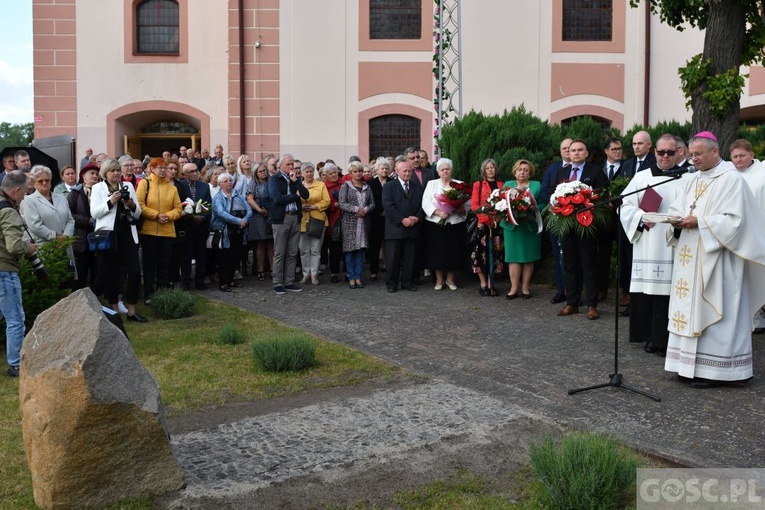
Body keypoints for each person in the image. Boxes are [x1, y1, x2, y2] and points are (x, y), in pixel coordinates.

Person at [663, 131, 765, 387]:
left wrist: (701, 222)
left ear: (715, 152)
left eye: (698, 154)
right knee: (687, 308)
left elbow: (737, 221)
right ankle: (686, 365)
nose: (693, 159)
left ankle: (717, 371)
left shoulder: (732, 179)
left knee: (718, 309)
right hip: (689, 255)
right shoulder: (689, 180)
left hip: (719, 259)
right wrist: (674, 220)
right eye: (691, 154)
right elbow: (677, 207)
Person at [619, 134, 685, 356]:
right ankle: (648, 337)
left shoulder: (686, 178)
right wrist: (639, 216)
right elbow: (625, 204)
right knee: (649, 292)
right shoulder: (642, 177)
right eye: (661, 152)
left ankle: (667, 340)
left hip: (673, 243)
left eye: (670, 152)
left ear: (678, 153)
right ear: (654, 152)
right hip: (647, 242)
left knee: (668, 294)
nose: (665, 156)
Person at [553, 139, 608, 320]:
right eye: (572, 150)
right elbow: (555, 195)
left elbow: (603, 195)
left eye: (579, 150)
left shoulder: (596, 170)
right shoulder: (561, 171)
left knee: (589, 265)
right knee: (569, 265)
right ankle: (572, 303)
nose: (575, 153)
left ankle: (592, 305)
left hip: (587, 226)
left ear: (586, 153)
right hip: (567, 226)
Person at [90, 158, 146, 322]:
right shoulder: (98, 188)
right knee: (112, 274)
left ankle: (131, 310)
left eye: (117, 170)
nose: (116, 173)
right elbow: (94, 213)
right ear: (105, 173)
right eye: (112, 171)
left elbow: (137, 212)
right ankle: (115, 310)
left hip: (128, 234)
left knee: (135, 271)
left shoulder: (127, 186)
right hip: (109, 236)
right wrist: (111, 201)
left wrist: (130, 204)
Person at [0, 171, 38, 377]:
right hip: (4, 271)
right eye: (24, 191)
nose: (24, 196)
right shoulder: (8, 212)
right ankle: (16, 364)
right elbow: (14, 246)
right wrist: (29, 248)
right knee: (16, 319)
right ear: (15, 190)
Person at [730, 139, 765, 334]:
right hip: (739, 234)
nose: (738, 160)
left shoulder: (762, 173)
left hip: (761, 231)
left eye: (742, 155)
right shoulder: (729, 175)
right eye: (734, 156)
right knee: (745, 277)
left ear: (751, 154)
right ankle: (752, 318)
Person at [136, 157, 182, 303]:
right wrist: (156, 215)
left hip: (167, 231)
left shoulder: (172, 187)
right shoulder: (145, 183)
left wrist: (167, 216)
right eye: (160, 168)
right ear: (152, 169)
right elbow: (139, 205)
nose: (163, 170)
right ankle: (149, 293)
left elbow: (178, 209)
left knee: (164, 264)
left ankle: (162, 293)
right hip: (148, 231)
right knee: (149, 263)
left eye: (164, 168)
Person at [421, 158, 470, 291]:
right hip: (436, 224)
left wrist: (459, 209)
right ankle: (439, 279)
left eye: (447, 169)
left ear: (451, 170)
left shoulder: (459, 184)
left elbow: (467, 204)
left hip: (454, 224)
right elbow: (425, 202)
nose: (445, 172)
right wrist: (438, 212)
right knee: (437, 252)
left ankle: (450, 279)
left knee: (453, 252)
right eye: (442, 169)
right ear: (438, 171)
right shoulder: (432, 184)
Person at [20, 166, 76, 279]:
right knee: (50, 282)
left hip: (65, 246)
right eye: (40, 181)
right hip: (46, 247)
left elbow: (70, 220)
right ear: (34, 182)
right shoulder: (29, 201)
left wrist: (65, 236)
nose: (44, 183)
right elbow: (35, 225)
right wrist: (55, 236)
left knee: (68, 282)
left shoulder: (61, 197)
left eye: (47, 180)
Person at [268, 154, 308, 294]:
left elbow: (306, 195)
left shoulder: (295, 179)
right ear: (280, 165)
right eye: (288, 164)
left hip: (295, 217)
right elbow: (277, 198)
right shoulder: (274, 179)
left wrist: (296, 182)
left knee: (292, 252)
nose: (291, 167)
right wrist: (294, 196)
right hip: (281, 219)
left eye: (293, 165)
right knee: (279, 252)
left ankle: (289, 281)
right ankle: (277, 282)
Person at [501, 159, 541, 299]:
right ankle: (514, 287)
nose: (522, 172)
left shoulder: (536, 185)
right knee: (514, 258)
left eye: (525, 170)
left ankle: (525, 287)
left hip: (529, 226)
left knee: (528, 258)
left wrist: (535, 208)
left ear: (530, 173)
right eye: (519, 169)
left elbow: (542, 204)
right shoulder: (508, 185)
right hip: (512, 227)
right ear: (515, 172)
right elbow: (500, 203)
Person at [383, 158, 424, 292]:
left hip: (413, 227)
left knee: (410, 258)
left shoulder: (417, 187)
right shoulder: (389, 187)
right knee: (393, 258)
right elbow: (388, 206)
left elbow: (422, 206)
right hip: (395, 228)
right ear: (397, 171)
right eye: (404, 171)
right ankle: (391, 284)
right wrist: (402, 219)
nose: (407, 173)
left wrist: (417, 218)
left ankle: (408, 282)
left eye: (409, 171)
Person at [540, 138, 572, 304]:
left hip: (575, 219)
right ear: (560, 151)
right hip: (556, 217)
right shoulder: (553, 169)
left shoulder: (578, 169)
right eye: (564, 148)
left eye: (570, 147)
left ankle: (574, 291)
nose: (567, 150)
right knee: (558, 254)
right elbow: (544, 191)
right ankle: (561, 290)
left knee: (573, 256)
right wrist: (554, 204)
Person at [211, 173, 252, 292]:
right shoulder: (218, 197)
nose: (229, 182)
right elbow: (220, 213)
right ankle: (223, 283)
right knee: (225, 258)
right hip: (225, 232)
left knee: (235, 256)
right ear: (220, 184)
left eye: (230, 180)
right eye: (226, 181)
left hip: (239, 231)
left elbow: (248, 209)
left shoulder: (237, 194)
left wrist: (245, 220)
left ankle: (231, 280)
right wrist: (239, 221)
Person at [596, 137, 625, 303]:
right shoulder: (599, 169)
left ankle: (625, 291)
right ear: (606, 151)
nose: (618, 152)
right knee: (603, 255)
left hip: (622, 216)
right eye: (614, 149)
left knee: (623, 255)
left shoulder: (627, 167)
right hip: (605, 218)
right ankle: (601, 289)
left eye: (620, 148)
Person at [470, 158, 504, 296]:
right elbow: (474, 206)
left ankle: (491, 283)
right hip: (483, 224)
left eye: (493, 167)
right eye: (487, 168)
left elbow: (504, 205)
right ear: (483, 170)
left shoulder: (501, 184)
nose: (490, 170)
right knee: (481, 254)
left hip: (497, 224)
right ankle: (483, 283)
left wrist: (497, 219)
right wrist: (486, 219)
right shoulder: (478, 185)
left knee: (495, 253)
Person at [339, 161, 375, 289]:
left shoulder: (367, 186)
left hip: (363, 221)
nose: (358, 173)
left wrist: (365, 210)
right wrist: (356, 209)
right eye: (355, 171)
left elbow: (372, 203)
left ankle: (359, 277)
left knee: (360, 251)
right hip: (349, 222)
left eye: (360, 171)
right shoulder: (346, 186)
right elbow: (342, 203)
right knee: (350, 251)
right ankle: (351, 276)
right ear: (350, 173)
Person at [67, 163, 100, 291]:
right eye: (92, 173)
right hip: (81, 240)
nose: (95, 176)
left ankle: (97, 302)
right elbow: (69, 215)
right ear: (83, 176)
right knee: (80, 273)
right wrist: (88, 221)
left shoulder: (102, 192)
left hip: (98, 239)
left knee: (97, 273)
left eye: (97, 174)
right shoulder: (74, 193)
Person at [182, 162, 213, 290]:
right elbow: (179, 204)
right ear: (185, 174)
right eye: (192, 171)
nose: (195, 173)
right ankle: (185, 282)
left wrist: (202, 217)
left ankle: (200, 281)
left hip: (201, 226)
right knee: (186, 255)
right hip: (186, 225)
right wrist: (191, 217)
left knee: (201, 254)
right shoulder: (181, 185)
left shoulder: (204, 186)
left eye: (196, 171)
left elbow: (209, 205)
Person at [298, 163, 330, 285]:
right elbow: (294, 200)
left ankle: (314, 274)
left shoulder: (321, 185)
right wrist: (301, 207)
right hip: (302, 221)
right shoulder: (298, 186)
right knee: (304, 249)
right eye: (307, 171)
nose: (309, 173)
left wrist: (314, 206)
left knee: (315, 249)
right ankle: (306, 274)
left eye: (311, 171)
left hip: (317, 220)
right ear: (301, 173)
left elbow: (326, 201)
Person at [246, 161, 273, 280]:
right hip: (259, 216)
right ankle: (260, 269)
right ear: (256, 173)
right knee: (261, 243)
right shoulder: (254, 183)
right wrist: (259, 210)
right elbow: (249, 199)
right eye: (260, 171)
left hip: (271, 215)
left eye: (264, 170)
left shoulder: (271, 182)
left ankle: (273, 269)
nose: (263, 173)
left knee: (271, 243)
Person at [368, 157, 391, 281]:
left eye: (386, 168)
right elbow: (370, 200)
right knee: (374, 245)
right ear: (376, 170)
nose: (384, 170)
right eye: (382, 168)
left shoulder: (392, 181)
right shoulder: (371, 183)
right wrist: (379, 211)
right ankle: (373, 271)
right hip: (375, 218)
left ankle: (389, 267)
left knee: (388, 244)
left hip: (389, 218)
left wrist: (388, 211)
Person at [321, 163, 344, 283]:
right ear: (326, 175)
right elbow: (323, 201)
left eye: (335, 172)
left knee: (346, 247)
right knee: (334, 248)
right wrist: (333, 205)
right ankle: (334, 273)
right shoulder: (324, 186)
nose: (334, 175)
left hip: (346, 218)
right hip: (332, 219)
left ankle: (347, 271)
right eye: (331, 173)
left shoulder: (345, 184)